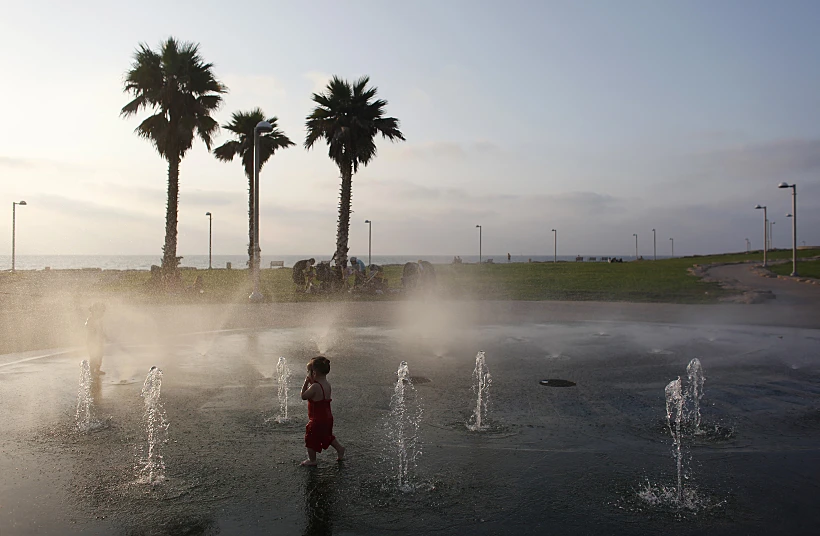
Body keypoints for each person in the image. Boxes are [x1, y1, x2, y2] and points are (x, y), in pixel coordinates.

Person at [300, 356, 345, 466]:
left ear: (314, 373)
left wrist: (306, 382)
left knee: (310, 438)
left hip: (316, 419)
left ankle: (312, 460)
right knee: (326, 435)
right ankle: (340, 448)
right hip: (328, 417)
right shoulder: (327, 384)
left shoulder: (315, 386)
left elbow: (303, 396)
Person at [85, 303, 107, 375]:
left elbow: (101, 330)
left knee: (100, 355)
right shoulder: (90, 319)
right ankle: (91, 372)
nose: (103, 313)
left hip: (98, 341)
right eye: (102, 311)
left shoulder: (99, 320)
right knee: (93, 356)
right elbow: (88, 328)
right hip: (92, 341)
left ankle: (97, 370)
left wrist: (104, 336)